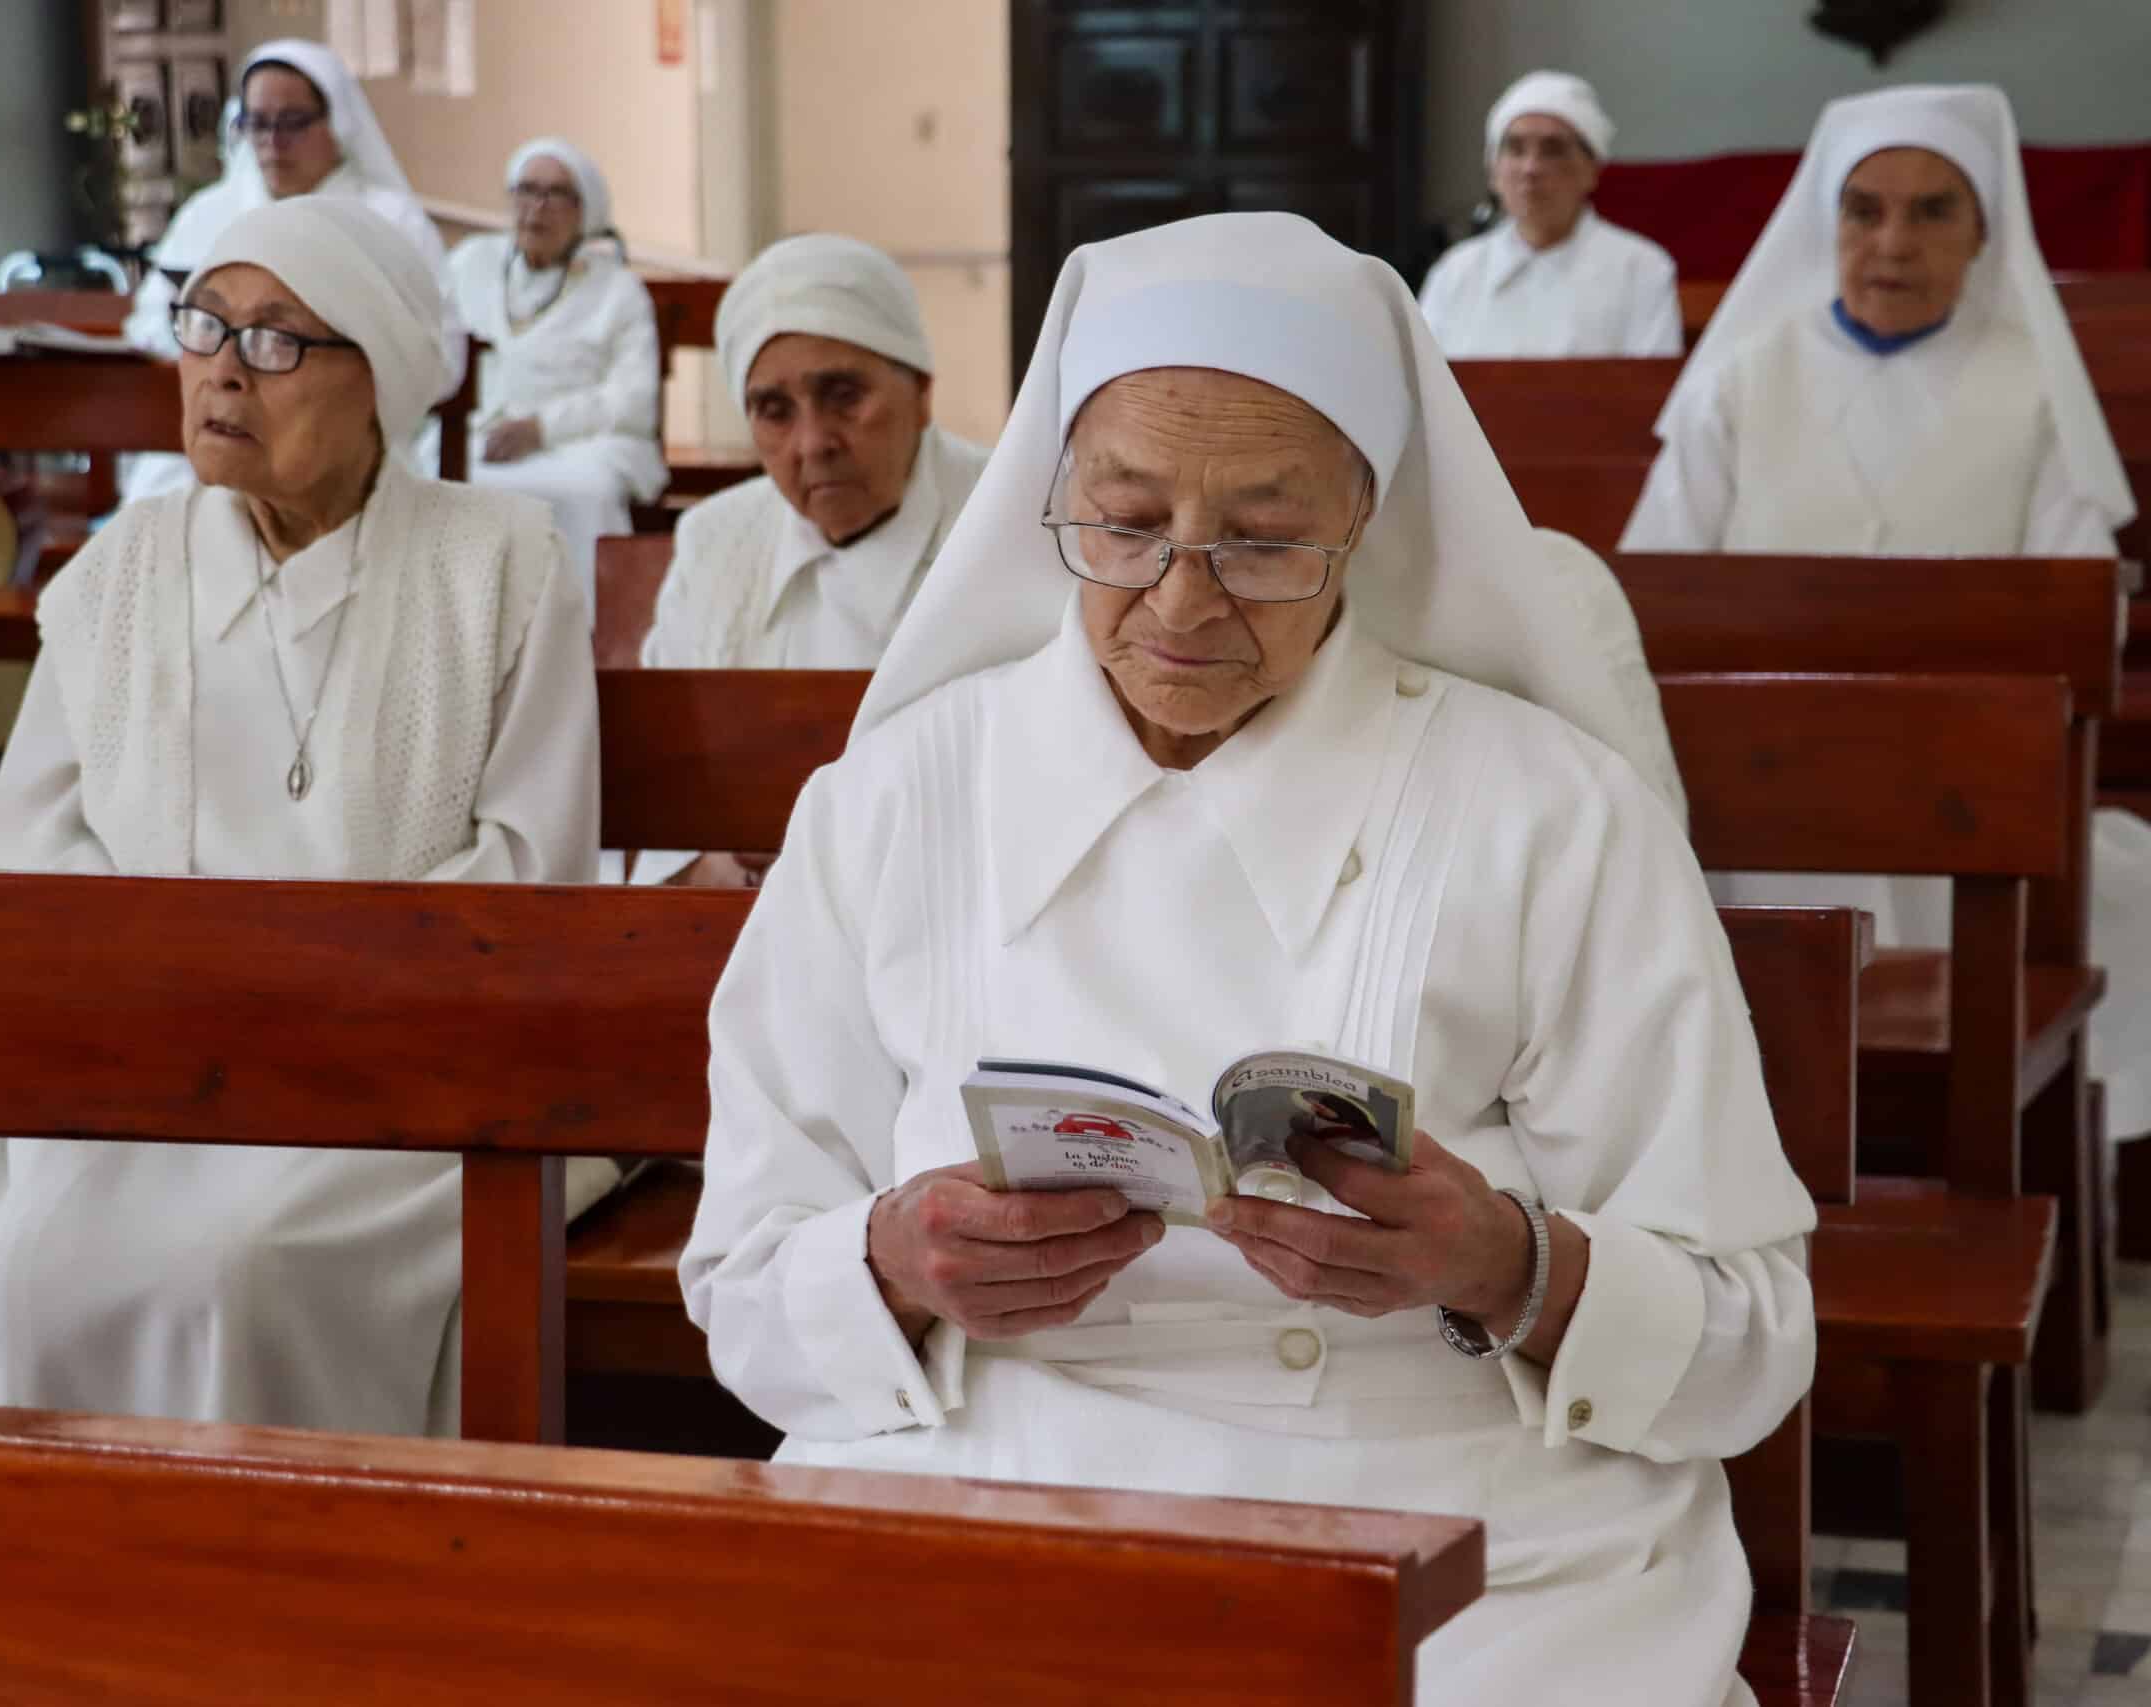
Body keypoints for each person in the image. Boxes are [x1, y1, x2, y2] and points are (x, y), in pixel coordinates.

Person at [681, 211, 1814, 1707]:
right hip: (982, 1483)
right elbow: (747, 1284)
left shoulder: (1550, 808)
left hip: (1460, 1527)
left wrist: (1508, 1259)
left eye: (1265, 540)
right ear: (1051, 495)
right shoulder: (895, 800)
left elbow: (1749, 1334)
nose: (1182, 599)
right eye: (1127, 522)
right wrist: (894, 1258)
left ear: (1368, 526)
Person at [0, 197, 608, 1437]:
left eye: (279, 340)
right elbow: (37, 841)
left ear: (378, 376)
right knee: (0, 1272)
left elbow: (526, 862)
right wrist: (166, 1001)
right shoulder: (118, 573)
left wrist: (319, 1009)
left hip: (401, 1075)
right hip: (149, 1061)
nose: (227, 369)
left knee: (244, 1267)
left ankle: (275, 1596)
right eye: (207, 327)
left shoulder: (501, 565)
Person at [1620, 84, 2150, 1138]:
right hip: (1756, 790)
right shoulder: (1741, 381)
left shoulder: (2033, 391)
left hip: (1967, 795)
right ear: (1829, 225)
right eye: (1865, 210)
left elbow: (2080, 615)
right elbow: (1648, 601)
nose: (1892, 240)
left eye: (1932, 210)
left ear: (1983, 231)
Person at [632, 232, 990, 888]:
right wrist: (731, 860)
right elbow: (667, 794)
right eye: (774, 411)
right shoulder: (715, 541)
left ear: (921, 395)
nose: (813, 442)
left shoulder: (1006, 521)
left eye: (844, 395)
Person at [117, 39, 465, 506]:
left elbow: (441, 355)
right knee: (157, 505)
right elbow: (148, 322)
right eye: (257, 123)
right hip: (214, 434)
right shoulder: (209, 214)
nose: (272, 142)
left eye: (292, 123)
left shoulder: (392, 221)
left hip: (340, 442)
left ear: (338, 122)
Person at [446, 138, 669, 615]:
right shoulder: (472, 264)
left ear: (584, 210)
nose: (536, 208)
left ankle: (585, 637)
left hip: (582, 442)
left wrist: (540, 429)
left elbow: (633, 399)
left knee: (584, 494)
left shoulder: (617, 290)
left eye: (555, 195)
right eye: (525, 191)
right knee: (438, 481)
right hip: (478, 434)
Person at [1417, 72, 1683, 359]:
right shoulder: (1454, 274)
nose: (1530, 168)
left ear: (1592, 170)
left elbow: (1651, 391)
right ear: (1493, 172)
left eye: (1552, 150)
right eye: (1515, 149)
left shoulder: (1641, 269)